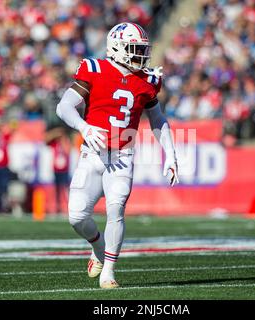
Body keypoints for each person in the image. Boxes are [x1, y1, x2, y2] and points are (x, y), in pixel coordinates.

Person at [56, 22, 179, 289]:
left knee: (117, 209)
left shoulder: (148, 81)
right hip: (92, 154)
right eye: (135, 49)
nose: (141, 56)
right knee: (76, 217)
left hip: (123, 156)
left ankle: (109, 271)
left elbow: (157, 119)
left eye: (143, 50)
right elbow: (64, 106)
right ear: (117, 48)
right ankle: (98, 246)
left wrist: (170, 154)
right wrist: (83, 126)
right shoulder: (95, 69)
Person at [45, 127, 71, 214]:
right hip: (56, 170)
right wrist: (55, 133)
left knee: (65, 189)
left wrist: (63, 139)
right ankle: (57, 207)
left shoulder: (66, 142)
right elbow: (46, 140)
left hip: (65, 170)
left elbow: (68, 151)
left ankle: (67, 207)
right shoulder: (54, 143)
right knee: (57, 190)